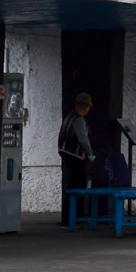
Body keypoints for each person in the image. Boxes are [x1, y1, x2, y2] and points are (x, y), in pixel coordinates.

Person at [58, 92, 95, 226]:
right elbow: (83, 140)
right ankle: (76, 218)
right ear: (86, 107)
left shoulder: (69, 117)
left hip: (66, 154)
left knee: (69, 187)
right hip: (75, 157)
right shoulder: (79, 120)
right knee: (78, 187)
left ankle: (68, 219)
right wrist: (90, 155)